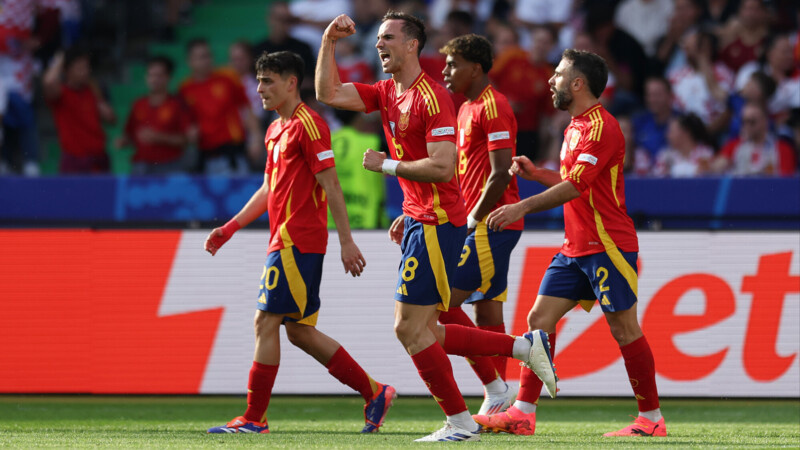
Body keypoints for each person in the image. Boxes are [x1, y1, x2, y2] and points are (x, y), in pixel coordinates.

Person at [316, 11, 556, 442]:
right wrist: (328, 41)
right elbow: (327, 92)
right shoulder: (386, 92)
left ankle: (464, 419)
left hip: (440, 221)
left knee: (411, 327)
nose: (379, 44)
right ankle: (520, 352)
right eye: (378, 37)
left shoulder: (431, 97)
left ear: (412, 45)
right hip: (421, 219)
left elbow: (444, 168)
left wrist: (387, 166)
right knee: (429, 327)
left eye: (388, 37)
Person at [477, 49, 667, 437]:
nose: (551, 80)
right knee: (538, 320)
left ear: (578, 84)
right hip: (575, 248)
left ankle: (651, 419)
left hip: (607, 245)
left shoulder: (602, 128)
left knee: (624, 329)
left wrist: (521, 207)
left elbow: (576, 186)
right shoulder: (573, 127)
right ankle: (523, 413)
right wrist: (538, 174)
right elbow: (573, 182)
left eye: (559, 75)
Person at [204, 51, 395, 435]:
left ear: (291, 83)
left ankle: (254, 418)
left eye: (268, 81)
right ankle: (375, 392)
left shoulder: (309, 125)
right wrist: (230, 227)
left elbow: (332, 185)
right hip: (285, 241)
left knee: (265, 321)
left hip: (297, 241)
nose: (260, 89)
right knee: (299, 331)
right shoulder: (276, 128)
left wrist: (346, 242)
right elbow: (268, 188)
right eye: (259, 81)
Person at [438, 33, 522, 416]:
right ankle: (498, 400)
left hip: (491, 222)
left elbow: (501, 173)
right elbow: (464, 172)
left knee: (438, 304)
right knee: (487, 314)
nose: (445, 71)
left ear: (475, 68)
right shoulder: (465, 108)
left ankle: (497, 386)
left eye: (452, 64)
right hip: (482, 222)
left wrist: (472, 218)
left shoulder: (494, 106)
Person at [179, 38, 261, 175]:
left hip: (232, 152)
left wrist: (255, 138)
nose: (206, 61)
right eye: (201, 57)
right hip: (205, 156)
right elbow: (187, 121)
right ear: (190, 61)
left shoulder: (227, 78)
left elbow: (246, 109)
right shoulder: (185, 89)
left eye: (208, 55)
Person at [43, 47, 116, 174]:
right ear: (66, 70)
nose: (85, 72)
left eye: (87, 67)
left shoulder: (93, 90)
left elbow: (111, 119)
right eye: (80, 68)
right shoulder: (61, 93)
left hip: (99, 159)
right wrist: (59, 60)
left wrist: (99, 99)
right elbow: (49, 82)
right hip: (74, 161)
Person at [116, 56, 192, 175]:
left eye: (159, 75)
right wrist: (123, 141)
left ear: (168, 78)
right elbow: (131, 136)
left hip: (170, 165)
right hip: (141, 166)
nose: (154, 79)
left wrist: (158, 137)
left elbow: (186, 140)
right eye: (150, 75)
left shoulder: (177, 105)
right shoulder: (138, 104)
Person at [713, 101, 797, 176]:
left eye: (752, 122)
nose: (747, 126)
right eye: (744, 121)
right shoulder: (734, 145)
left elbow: (786, 181)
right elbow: (714, 170)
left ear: (765, 122)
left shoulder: (782, 148)